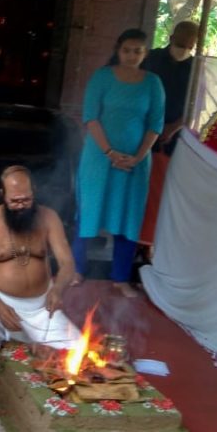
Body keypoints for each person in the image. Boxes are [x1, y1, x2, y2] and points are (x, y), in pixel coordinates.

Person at [73, 28, 165, 297]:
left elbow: (155, 125)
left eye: (138, 51)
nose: (131, 55)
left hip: (135, 164)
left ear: (145, 53)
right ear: (118, 50)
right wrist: (110, 153)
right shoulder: (102, 77)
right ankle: (77, 270)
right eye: (127, 50)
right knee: (88, 213)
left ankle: (120, 278)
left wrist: (137, 157)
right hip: (98, 160)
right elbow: (91, 117)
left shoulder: (153, 83)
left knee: (128, 218)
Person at [0, 166, 82, 349]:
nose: (21, 206)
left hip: (41, 308)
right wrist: (0, 307)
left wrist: (57, 290)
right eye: (14, 201)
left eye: (26, 200)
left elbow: (67, 263)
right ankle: (7, 343)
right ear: (3, 194)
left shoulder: (49, 218)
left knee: (75, 347)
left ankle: (20, 342)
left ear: (34, 191)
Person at [139, 21, 199, 249]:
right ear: (172, 35)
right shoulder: (152, 58)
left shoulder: (195, 67)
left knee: (161, 191)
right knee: (140, 189)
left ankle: (150, 244)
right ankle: (134, 243)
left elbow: (194, 104)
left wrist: (172, 128)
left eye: (191, 37)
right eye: (183, 35)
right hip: (142, 132)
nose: (186, 41)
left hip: (171, 139)